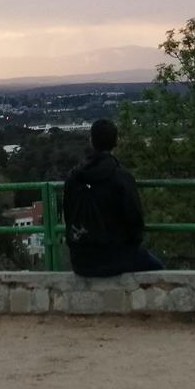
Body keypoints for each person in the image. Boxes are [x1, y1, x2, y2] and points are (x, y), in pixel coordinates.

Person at [62, 119, 163, 277]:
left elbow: (67, 215)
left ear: (91, 140)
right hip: (115, 257)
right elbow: (135, 220)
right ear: (116, 142)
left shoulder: (73, 177)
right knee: (159, 270)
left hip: (80, 261)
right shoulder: (121, 176)